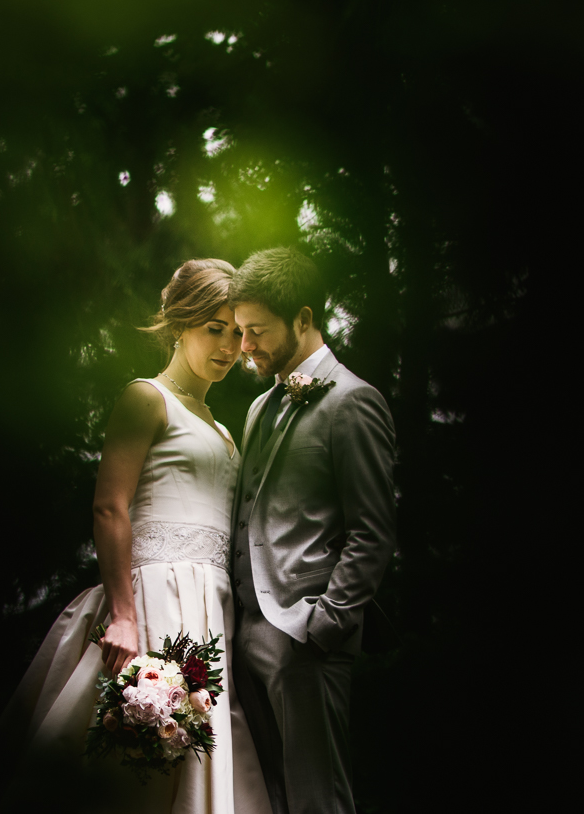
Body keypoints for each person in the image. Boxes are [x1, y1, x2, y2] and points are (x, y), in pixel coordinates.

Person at [0, 259, 273, 813]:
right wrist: (123, 614)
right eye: (212, 328)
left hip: (211, 607)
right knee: (133, 762)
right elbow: (109, 506)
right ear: (179, 323)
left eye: (235, 332)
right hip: (155, 599)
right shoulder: (147, 398)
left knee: (201, 753)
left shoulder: (222, 427)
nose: (227, 346)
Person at [228, 249, 397, 814]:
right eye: (239, 330)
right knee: (270, 801)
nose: (244, 345)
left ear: (302, 319)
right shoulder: (257, 408)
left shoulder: (352, 402)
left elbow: (372, 533)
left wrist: (322, 626)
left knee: (317, 801)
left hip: (305, 640)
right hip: (246, 636)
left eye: (256, 331)